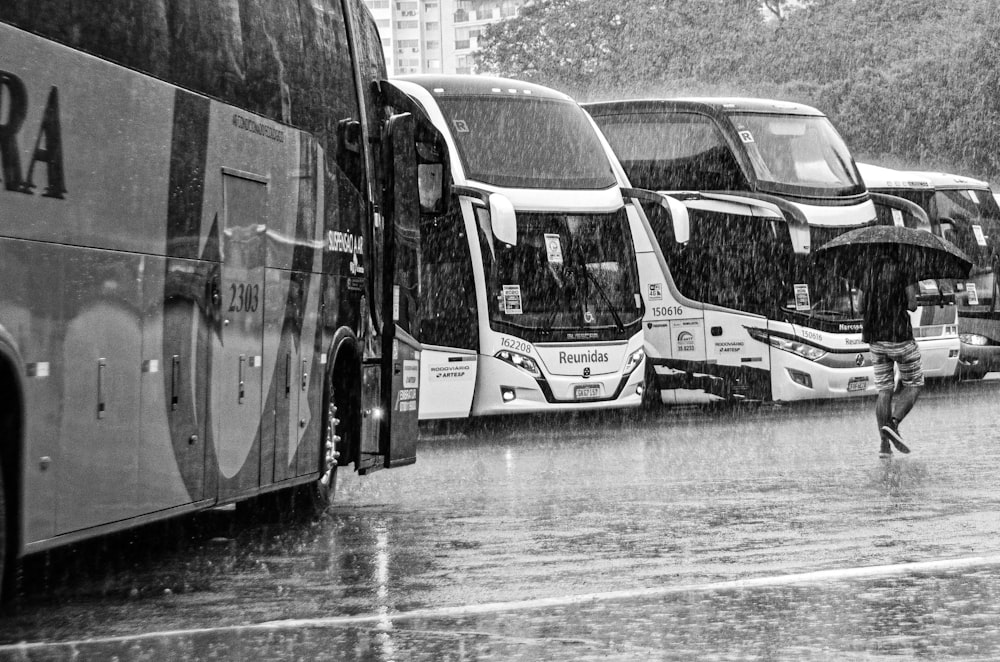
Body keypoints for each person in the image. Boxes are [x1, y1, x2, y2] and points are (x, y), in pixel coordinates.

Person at [859, 248, 922, 458]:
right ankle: (893, 424)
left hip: (875, 338)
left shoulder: (868, 271)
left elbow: (860, 307)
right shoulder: (905, 268)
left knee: (884, 390)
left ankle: (884, 447)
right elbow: (912, 304)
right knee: (914, 383)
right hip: (900, 336)